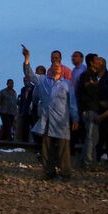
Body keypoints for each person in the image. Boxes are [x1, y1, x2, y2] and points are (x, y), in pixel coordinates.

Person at [23, 46, 78, 180]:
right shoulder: (42, 81)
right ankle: (48, 172)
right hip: (47, 120)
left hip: (61, 121)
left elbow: (72, 103)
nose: (55, 66)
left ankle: (65, 173)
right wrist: (27, 58)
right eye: (53, 64)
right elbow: (29, 74)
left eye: (58, 65)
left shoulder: (66, 84)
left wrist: (75, 118)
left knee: (63, 149)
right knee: (47, 147)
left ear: (61, 68)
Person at [76, 53, 103, 167]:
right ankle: (88, 162)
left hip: (90, 109)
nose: (99, 62)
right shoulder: (87, 75)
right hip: (89, 110)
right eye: (97, 60)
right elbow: (88, 90)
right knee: (91, 137)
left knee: (92, 137)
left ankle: (86, 161)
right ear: (91, 62)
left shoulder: (93, 75)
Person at [17, 76, 35, 142]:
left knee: (33, 126)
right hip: (25, 111)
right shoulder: (23, 89)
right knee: (25, 127)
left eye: (26, 80)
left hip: (32, 111)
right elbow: (22, 101)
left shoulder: (34, 88)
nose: (25, 82)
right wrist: (21, 111)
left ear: (30, 80)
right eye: (24, 80)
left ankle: (35, 141)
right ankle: (25, 141)